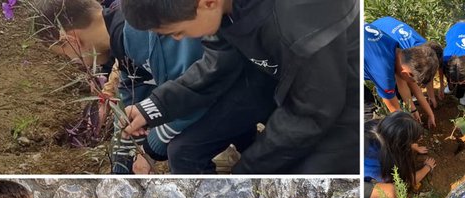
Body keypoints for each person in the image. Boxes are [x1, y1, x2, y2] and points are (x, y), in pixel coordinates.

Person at [121, 0, 359, 174]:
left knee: (305, 173)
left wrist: (248, 169)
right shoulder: (222, 10)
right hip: (274, 79)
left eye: (177, 32)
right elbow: (217, 62)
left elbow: (311, 112)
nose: (177, 39)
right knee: (185, 150)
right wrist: (152, 108)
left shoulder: (300, 15)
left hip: (339, 99)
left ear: (207, 3)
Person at [35, 0, 217, 174]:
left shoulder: (142, 33)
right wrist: (122, 162)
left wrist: (150, 149)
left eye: (66, 56)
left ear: (72, 41)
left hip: (227, 93)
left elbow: (193, 94)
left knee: (183, 151)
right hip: (209, 93)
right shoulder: (122, 42)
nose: (73, 62)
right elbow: (132, 97)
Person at [364, 17, 438, 124]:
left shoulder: (397, 50)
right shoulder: (384, 72)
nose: (413, 84)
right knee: (369, 115)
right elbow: (396, 114)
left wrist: (421, 111)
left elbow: (405, 84)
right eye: (413, 80)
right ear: (407, 74)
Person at [363, 112, 435, 198]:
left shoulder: (377, 126)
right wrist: (427, 168)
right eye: (412, 141)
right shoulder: (380, 162)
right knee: (392, 193)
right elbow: (402, 183)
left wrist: (413, 147)